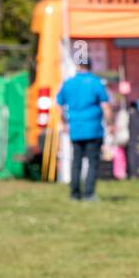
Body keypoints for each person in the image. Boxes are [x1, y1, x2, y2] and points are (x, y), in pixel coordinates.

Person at [56, 57, 112, 202]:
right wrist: (110, 124)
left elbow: (58, 105)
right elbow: (106, 107)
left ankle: (74, 193)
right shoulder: (96, 82)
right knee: (93, 162)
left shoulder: (68, 83)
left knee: (76, 161)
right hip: (93, 129)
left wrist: (63, 122)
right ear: (90, 66)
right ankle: (89, 194)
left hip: (75, 129)